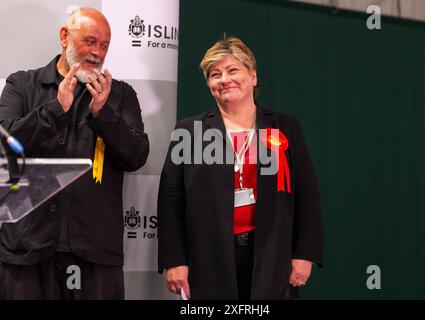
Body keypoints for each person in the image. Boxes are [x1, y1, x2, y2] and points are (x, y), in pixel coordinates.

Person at [158, 36, 323, 300]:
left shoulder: (285, 126)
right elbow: (171, 200)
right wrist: (175, 260)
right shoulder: (189, 130)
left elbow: (307, 195)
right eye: (215, 74)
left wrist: (304, 254)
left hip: (272, 261)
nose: (224, 79)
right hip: (208, 262)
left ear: (253, 76)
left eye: (233, 70)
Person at [0, 7, 149, 299]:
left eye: (104, 45)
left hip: (95, 253)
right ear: (65, 37)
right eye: (90, 41)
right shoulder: (21, 84)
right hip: (27, 248)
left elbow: (137, 156)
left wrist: (103, 113)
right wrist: (56, 110)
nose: (97, 52)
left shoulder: (120, 95)